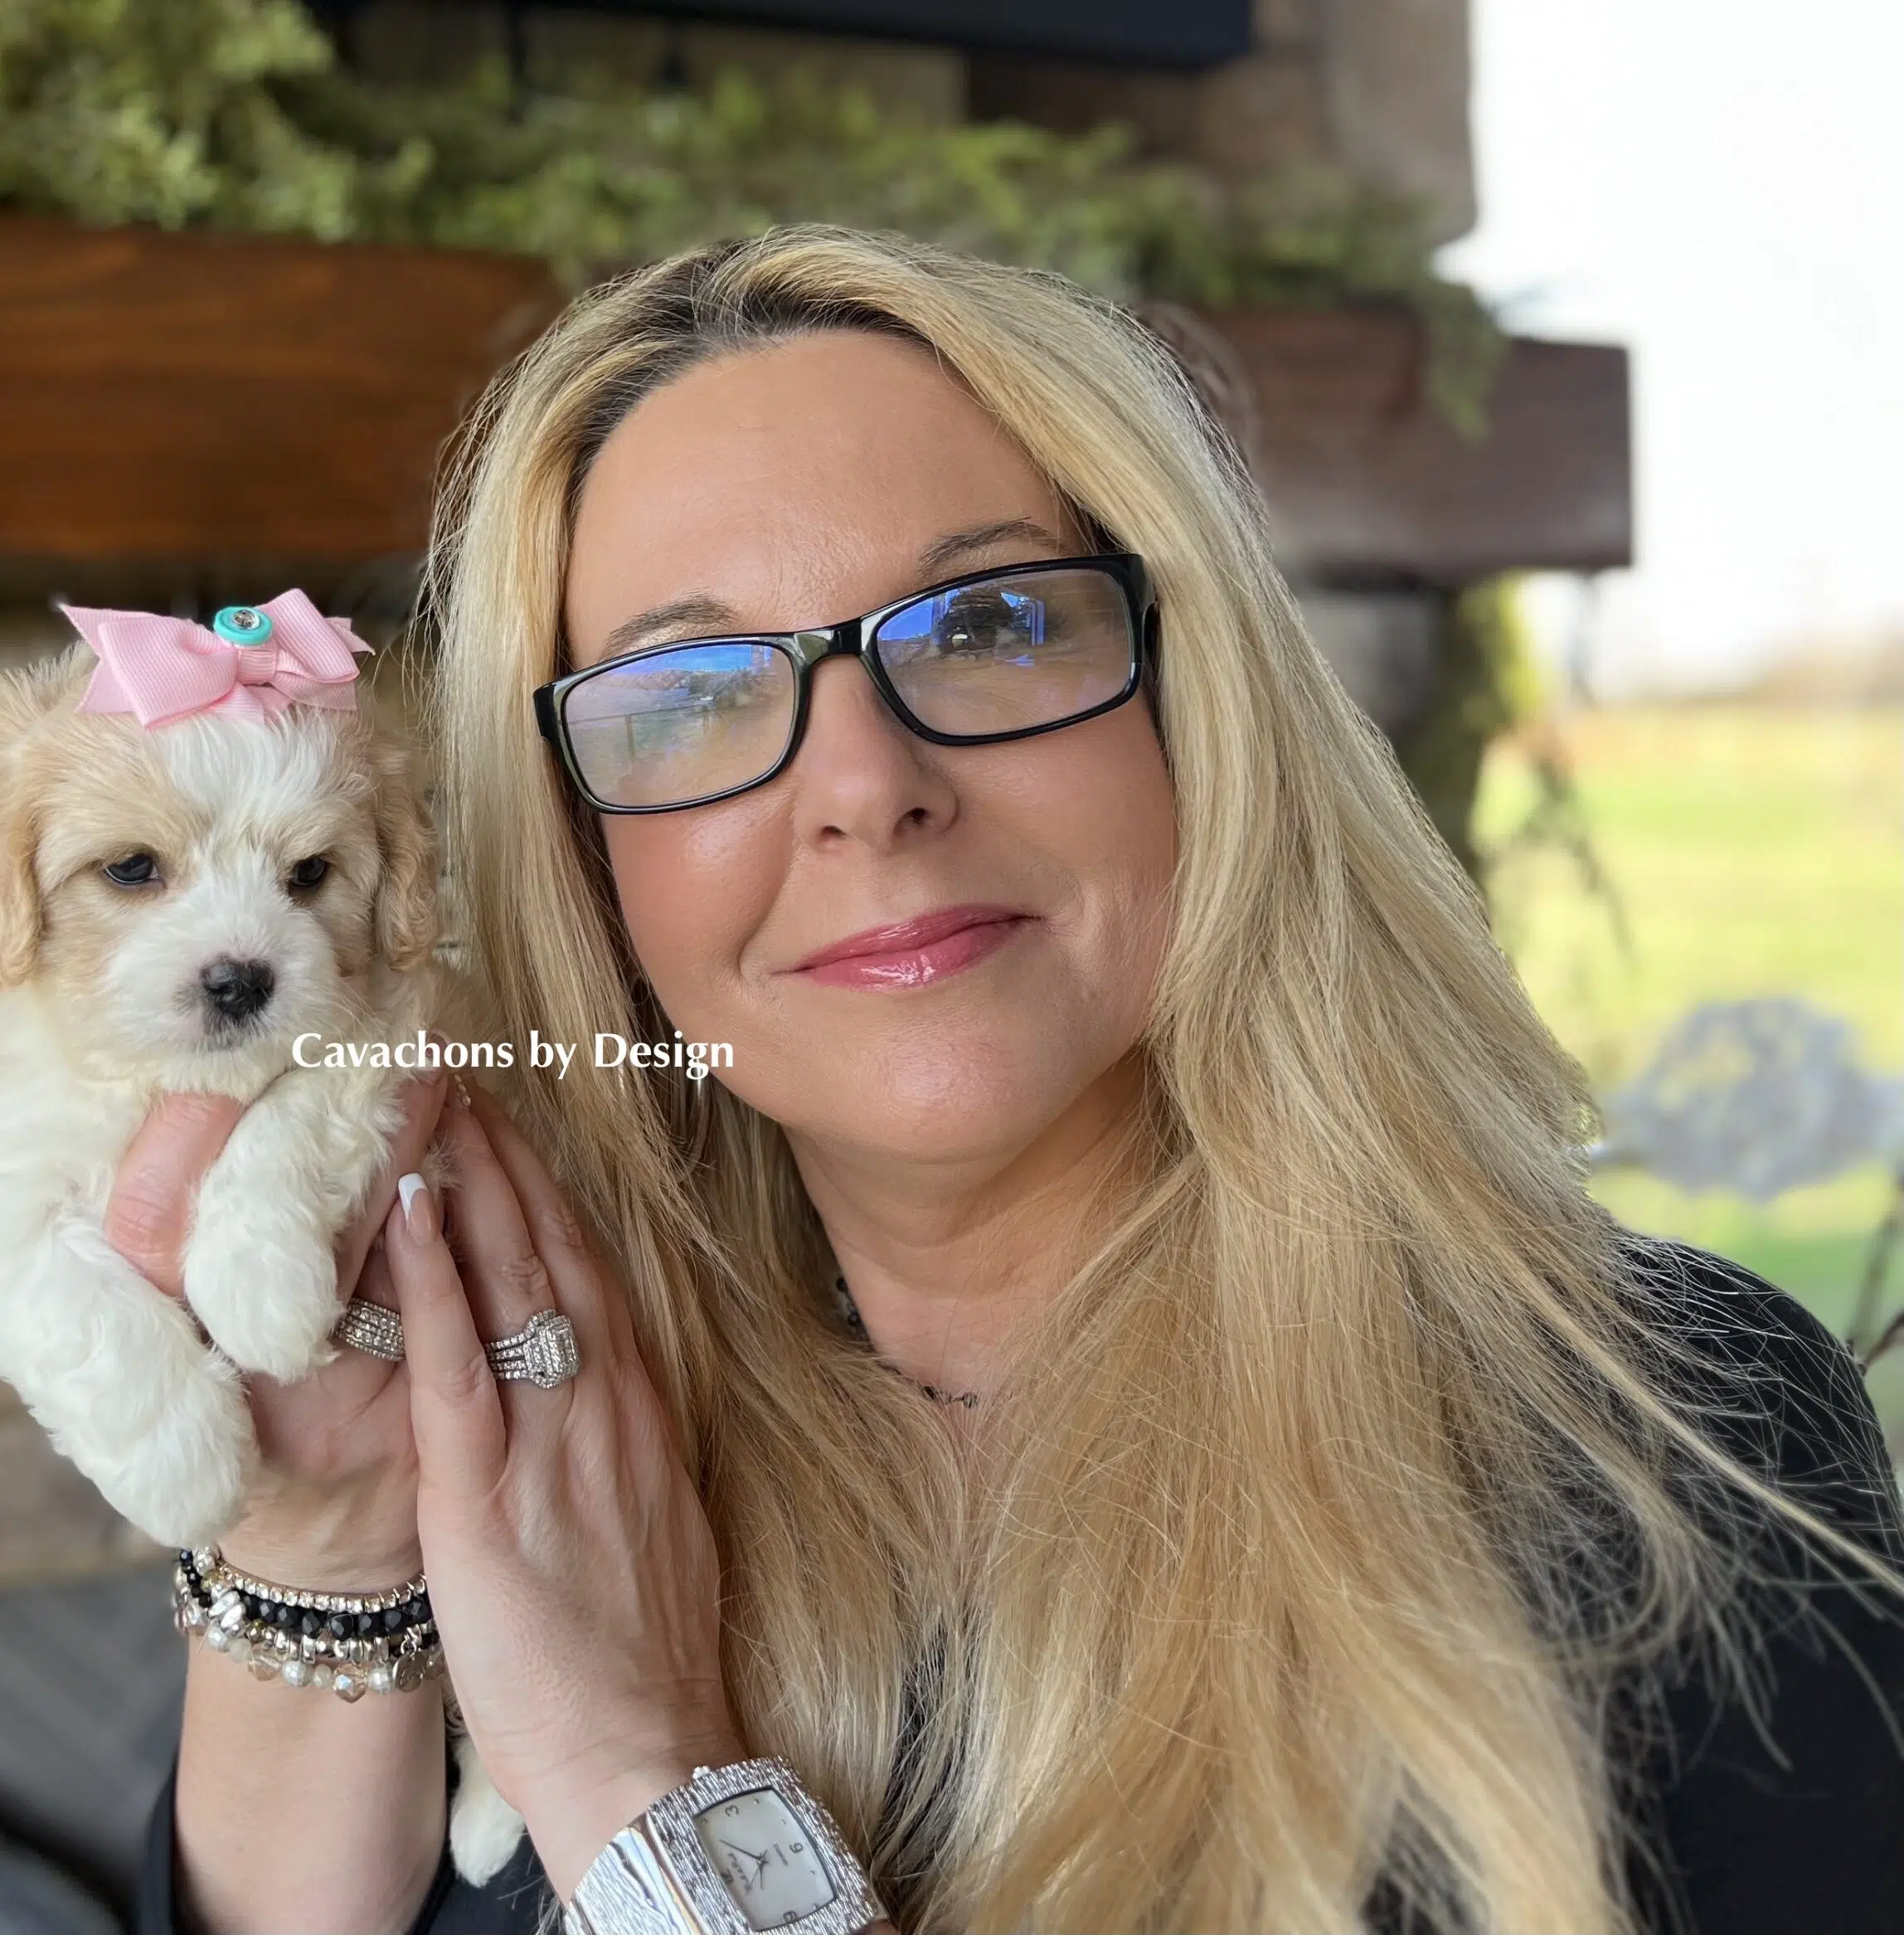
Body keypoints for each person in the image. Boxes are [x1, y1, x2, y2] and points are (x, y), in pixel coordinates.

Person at [121, 227, 1904, 1934]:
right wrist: (329, 1543)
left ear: (1191, 709)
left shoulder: (1669, 1424)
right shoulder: (544, 1433)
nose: (864, 785)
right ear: (586, 862)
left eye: (984, 626)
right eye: (690, 692)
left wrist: (640, 1781)